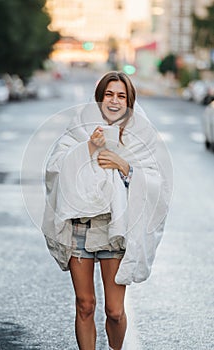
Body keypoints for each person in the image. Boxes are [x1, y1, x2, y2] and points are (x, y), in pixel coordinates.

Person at [42, 71, 171, 350]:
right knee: (85, 305)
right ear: (100, 98)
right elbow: (55, 167)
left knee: (114, 310)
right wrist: (89, 148)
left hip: (116, 227)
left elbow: (157, 181)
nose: (114, 101)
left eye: (121, 96)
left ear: (129, 102)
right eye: (109, 95)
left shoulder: (141, 134)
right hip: (80, 227)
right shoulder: (80, 127)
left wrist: (124, 166)